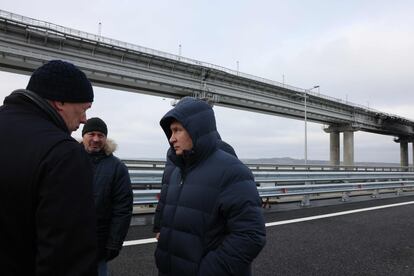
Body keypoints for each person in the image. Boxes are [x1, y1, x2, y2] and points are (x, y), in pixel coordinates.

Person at [0, 60, 98, 275]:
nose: (84, 120)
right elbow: (66, 260)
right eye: (83, 109)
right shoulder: (63, 153)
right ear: (60, 101)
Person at [154, 97, 266, 276]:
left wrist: (209, 271)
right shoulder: (177, 171)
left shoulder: (232, 171)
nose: (171, 138)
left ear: (196, 129)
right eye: (170, 131)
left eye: (177, 130)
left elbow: (250, 235)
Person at [81, 117, 133, 276]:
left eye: (100, 135)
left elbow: (123, 208)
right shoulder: (68, 158)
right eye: (91, 134)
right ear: (83, 135)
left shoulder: (117, 167)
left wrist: (114, 243)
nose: (96, 139)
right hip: (68, 241)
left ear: (106, 138)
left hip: (99, 243)